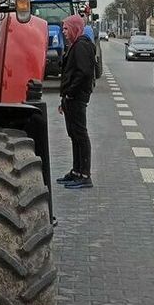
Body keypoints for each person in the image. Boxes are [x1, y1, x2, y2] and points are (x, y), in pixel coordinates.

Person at [57, 13, 96, 189]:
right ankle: (76, 171)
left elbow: (83, 73)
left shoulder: (81, 46)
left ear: (74, 28)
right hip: (70, 97)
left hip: (76, 97)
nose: (63, 32)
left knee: (80, 135)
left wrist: (70, 93)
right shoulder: (76, 45)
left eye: (66, 28)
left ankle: (84, 175)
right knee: (74, 134)